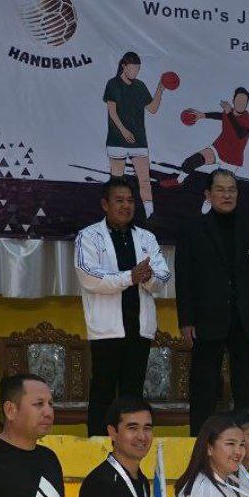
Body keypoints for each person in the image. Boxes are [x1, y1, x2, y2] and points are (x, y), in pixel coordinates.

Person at [175, 169, 249, 436]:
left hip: (245, 319)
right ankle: (200, 443)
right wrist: (186, 320)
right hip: (206, 319)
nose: (226, 195)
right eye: (220, 189)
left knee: (245, 388)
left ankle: (246, 442)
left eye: (231, 190)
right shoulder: (193, 230)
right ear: (208, 194)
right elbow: (184, 279)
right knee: (204, 387)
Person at [75, 177, 170, 436]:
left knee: (133, 395)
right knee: (103, 392)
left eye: (130, 201)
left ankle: (132, 444)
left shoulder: (146, 237)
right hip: (107, 331)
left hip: (140, 329)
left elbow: (163, 277)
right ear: (105, 204)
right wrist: (130, 277)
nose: (126, 206)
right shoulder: (89, 236)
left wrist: (147, 278)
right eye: (119, 200)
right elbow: (89, 277)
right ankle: (98, 445)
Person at [161, 87, 249, 213]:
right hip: (218, 149)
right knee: (191, 161)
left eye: (244, 101)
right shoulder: (229, 113)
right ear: (233, 101)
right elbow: (221, 116)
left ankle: (209, 200)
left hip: (232, 159)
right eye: (239, 100)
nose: (241, 103)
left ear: (247, 103)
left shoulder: (248, 120)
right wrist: (202, 115)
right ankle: (179, 180)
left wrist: (229, 113)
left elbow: (240, 133)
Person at [103, 52, 167, 219]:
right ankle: (114, 213)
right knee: (117, 180)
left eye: (138, 69)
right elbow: (112, 112)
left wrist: (160, 89)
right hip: (117, 140)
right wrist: (124, 131)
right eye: (132, 68)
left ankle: (150, 214)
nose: (135, 72)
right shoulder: (113, 84)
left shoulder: (140, 86)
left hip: (138, 140)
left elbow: (152, 109)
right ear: (124, 66)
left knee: (144, 179)